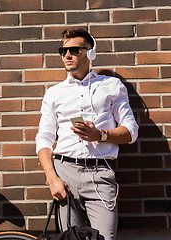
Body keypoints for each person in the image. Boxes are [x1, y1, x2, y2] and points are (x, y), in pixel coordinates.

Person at [36, 28, 138, 240]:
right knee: (69, 238)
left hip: (100, 172)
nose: (67, 55)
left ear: (90, 53)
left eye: (74, 50)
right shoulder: (54, 93)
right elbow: (44, 138)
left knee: (105, 238)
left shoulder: (111, 86)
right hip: (65, 173)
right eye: (63, 51)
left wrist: (100, 135)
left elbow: (131, 131)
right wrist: (52, 178)